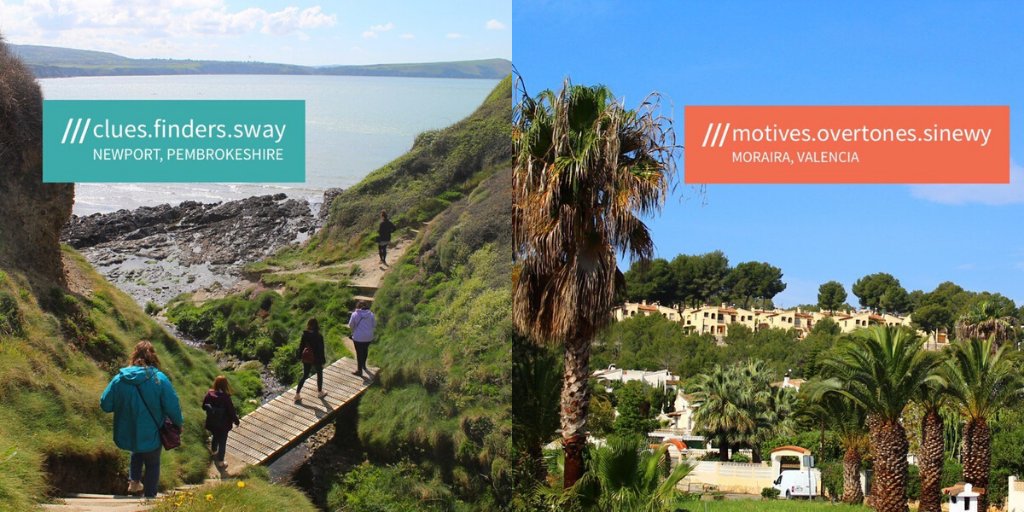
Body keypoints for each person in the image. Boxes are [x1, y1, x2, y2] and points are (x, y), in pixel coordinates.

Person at [100, 341, 183, 499]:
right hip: (151, 430)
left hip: (128, 430)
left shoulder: (120, 379)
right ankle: (150, 499)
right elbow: (173, 405)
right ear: (153, 356)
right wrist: (178, 424)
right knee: (152, 463)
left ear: (134, 356)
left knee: (136, 450)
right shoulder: (159, 379)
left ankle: (134, 482)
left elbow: (105, 404)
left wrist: (123, 404)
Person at [202, 376, 240, 469]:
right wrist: (236, 421)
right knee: (222, 442)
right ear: (225, 385)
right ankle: (221, 462)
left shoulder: (209, 394)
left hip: (212, 422)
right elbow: (231, 412)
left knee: (215, 436)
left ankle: (214, 451)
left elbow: (203, 406)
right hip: (223, 425)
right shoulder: (225, 398)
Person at [295, 318, 326, 403]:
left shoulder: (305, 334)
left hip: (307, 357)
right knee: (319, 374)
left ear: (308, 325)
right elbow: (321, 349)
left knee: (305, 375)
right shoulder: (319, 336)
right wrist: (323, 360)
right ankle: (320, 392)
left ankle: (297, 394)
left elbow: (301, 347)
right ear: (317, 325)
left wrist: (300, 357)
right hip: (317, 357)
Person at [348, 300, 376, 377]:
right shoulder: (371, 314)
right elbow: (374, 325)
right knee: (365, 350)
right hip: (368, 337)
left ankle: (359, 370)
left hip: (358, 337)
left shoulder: (355, 314)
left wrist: (355, 329)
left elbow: (350, 325)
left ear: (358, 306)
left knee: (359, 353)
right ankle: (364, 365)